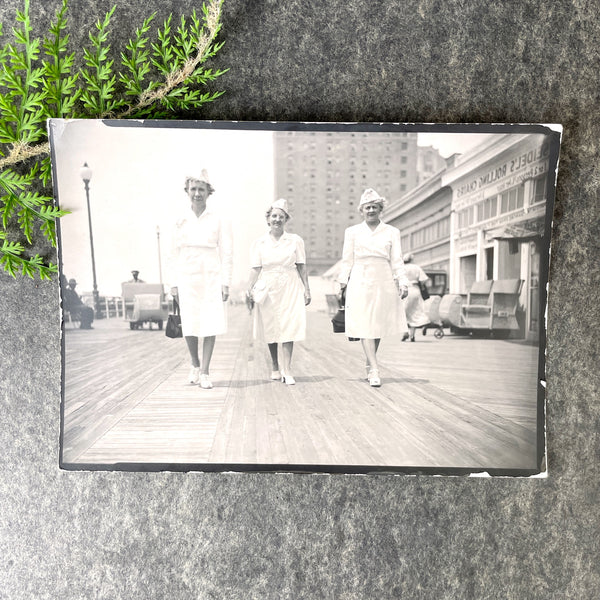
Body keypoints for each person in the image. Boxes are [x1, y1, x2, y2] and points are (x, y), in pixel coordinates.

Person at [337, 188, 409, 387]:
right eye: (367, 207)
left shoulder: (392, 232)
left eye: (374, 207)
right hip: (360, 278)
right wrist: (342, 282)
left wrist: (402, 282)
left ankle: (370, 363)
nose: (371, 210)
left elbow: (397, 260)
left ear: (380, 209)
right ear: (361, 210)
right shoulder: (352, 232)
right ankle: (375, 369)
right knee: (364, 322)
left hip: (383, 278)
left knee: (376, 324)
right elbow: (346, 260)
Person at [170, 170, 233, 390]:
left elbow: (226, 252)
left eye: (201, 190)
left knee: (210, 322)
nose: (197, 193)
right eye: (193, 189)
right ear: (187, 191)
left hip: (211, 274)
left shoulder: (218, 219)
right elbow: (173, 253)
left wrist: (226, 282)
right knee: (189, 322)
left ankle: (205, 371)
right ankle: (194, 364)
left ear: (209, 192)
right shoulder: (180, 219)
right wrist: (173, 283)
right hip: (186, 273)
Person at [247, 199, 311, 385]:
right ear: (268, 219)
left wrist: (307, 289)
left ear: (286, 220)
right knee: (271, 327)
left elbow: (302, 266)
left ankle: (287, 369)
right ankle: (275, 366)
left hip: (290, 285)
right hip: (268, 287)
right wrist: (248, 288)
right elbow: (255, 268)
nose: (277, 220)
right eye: (274, 216)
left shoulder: (295, 240)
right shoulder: (259, 243)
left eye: (281, 217)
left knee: (289, 326)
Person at [402, 254, 430, 342]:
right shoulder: (416, 267)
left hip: (405, 289)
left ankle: (405, 332)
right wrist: (421, 286)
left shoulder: (402, 268)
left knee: (403, 312)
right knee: (414, 311)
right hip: (415, 290)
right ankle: (412, 335)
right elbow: (423, 280)